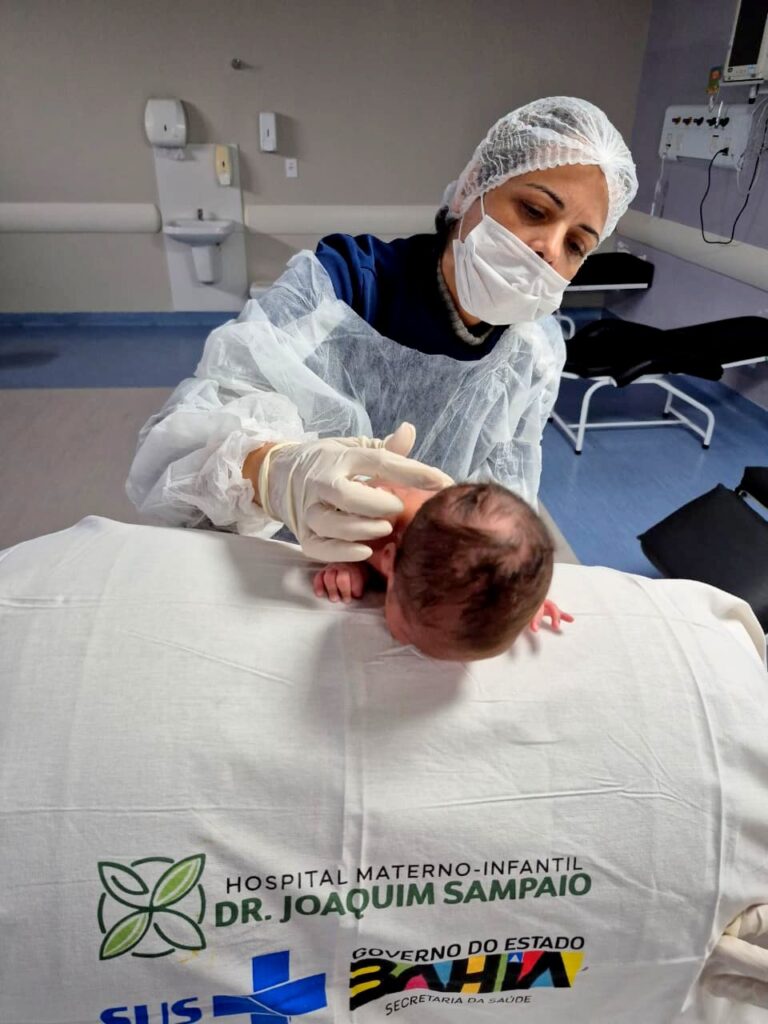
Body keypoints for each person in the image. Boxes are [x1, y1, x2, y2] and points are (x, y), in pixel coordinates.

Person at [126, 97, 637, 561]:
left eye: (576, 245)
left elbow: (506, 487)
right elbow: (177, 447)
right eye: (534, 211)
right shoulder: (343, 286)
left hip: (420, 574)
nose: (549, 249)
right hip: (282, 559)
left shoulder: (534, 350)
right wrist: (278, 474)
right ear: (473, 188)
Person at [312, 479, 573, 660]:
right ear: (387, 560)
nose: (405, 643)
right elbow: (326, 522)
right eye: (408, 634)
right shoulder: (375, 522)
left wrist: (523, 601)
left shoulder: (450, 548)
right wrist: (352, 561)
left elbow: (505, 569)